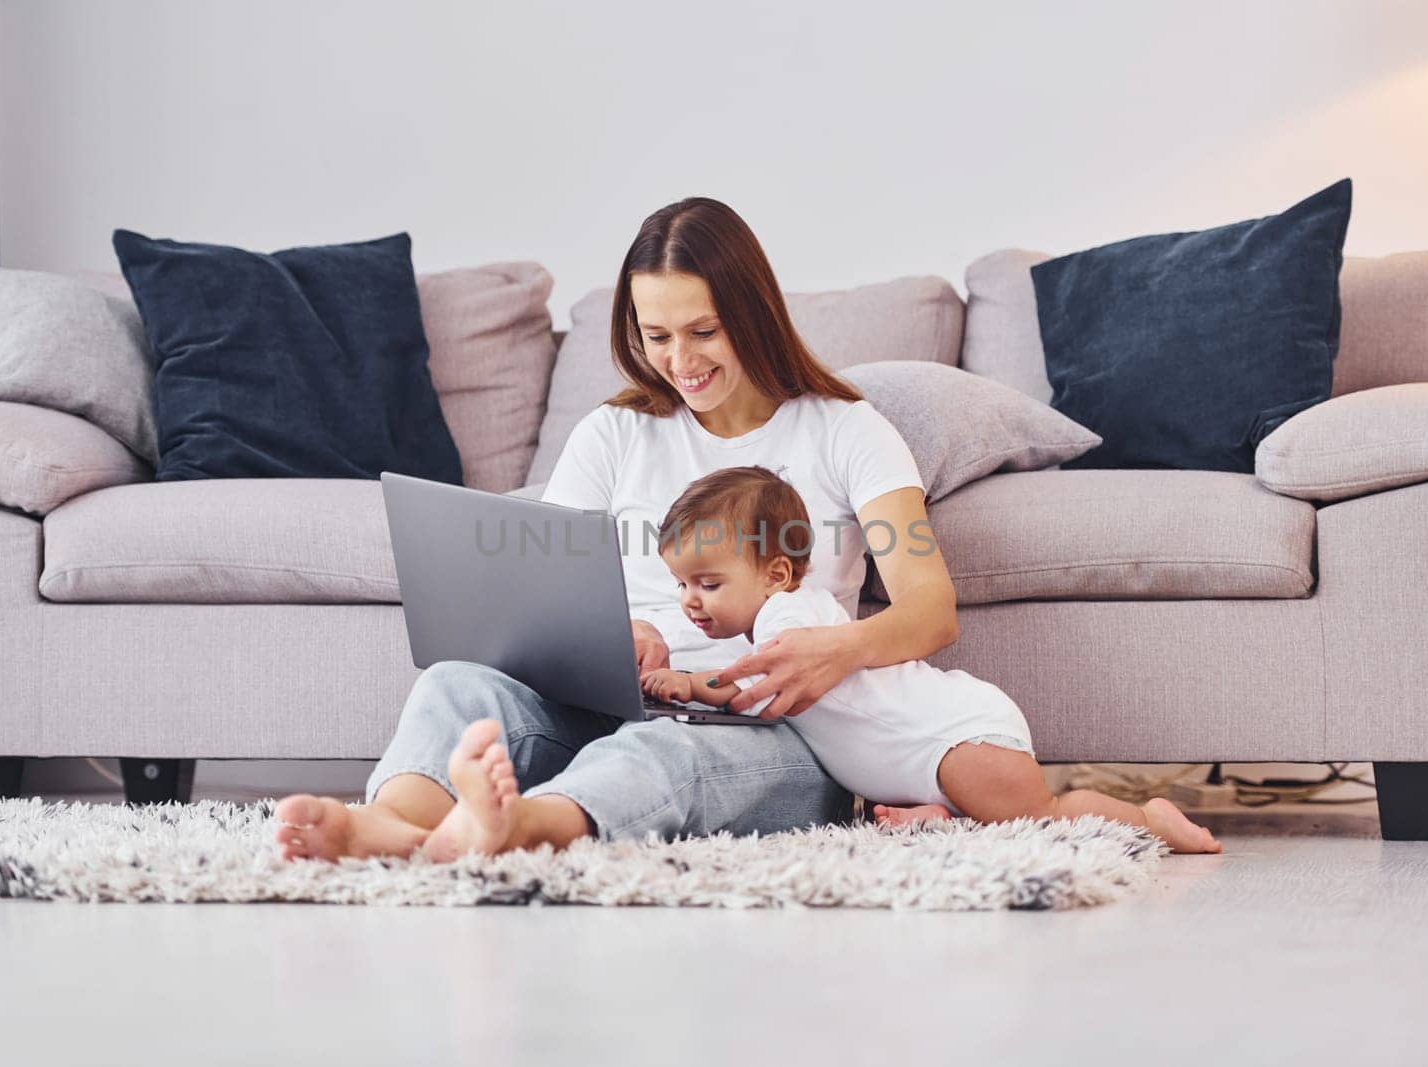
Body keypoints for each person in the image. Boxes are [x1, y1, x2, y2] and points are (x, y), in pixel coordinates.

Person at [273, 195, 959, 862]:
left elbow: (932, 607)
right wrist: (611, 635)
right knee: (457, 684)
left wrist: (836, 650)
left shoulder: (848, 430)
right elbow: (540, 597)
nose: (679, 361)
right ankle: (390, 825)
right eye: (656, 336)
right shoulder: (614, 432)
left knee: (663, 752)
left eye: (702, 331)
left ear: (754, 314)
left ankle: (515, 827)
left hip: (775, 726)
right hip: (618, 701)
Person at [638, 466, 1223, 853]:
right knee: (992, 819)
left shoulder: (785, 619)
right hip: (923, 748)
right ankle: (938, 815)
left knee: (1039, 812)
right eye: (681, 583)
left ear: (776, 573)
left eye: (708, 583)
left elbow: (747, 689)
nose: (690, 600)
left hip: (954, 737)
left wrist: (685, 683)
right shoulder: (786, 610)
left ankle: (1148, 820)